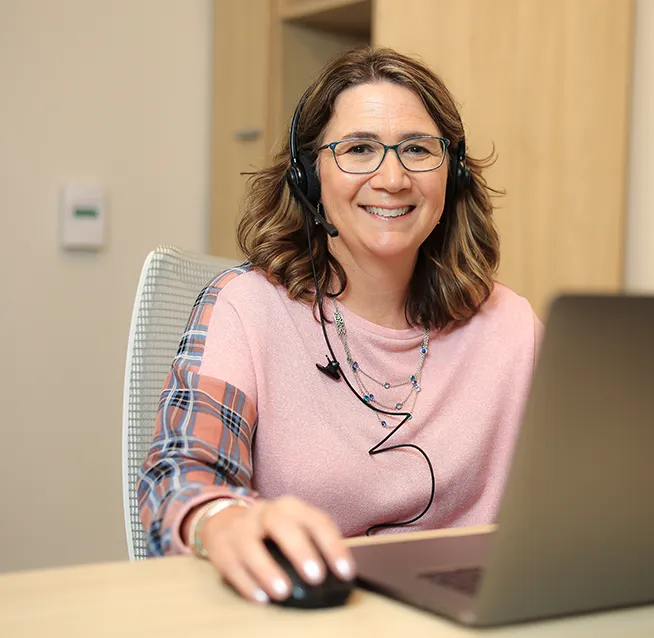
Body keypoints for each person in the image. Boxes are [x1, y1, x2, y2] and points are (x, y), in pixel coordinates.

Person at [137, 46, 542, 606]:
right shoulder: (246, 308)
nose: (393, 177)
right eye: (359, 149)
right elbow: (177, 477)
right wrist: (223, 521)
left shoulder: (512, 326)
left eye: (418, 150)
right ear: (309, 176)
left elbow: (575, 491)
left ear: (454, 173)